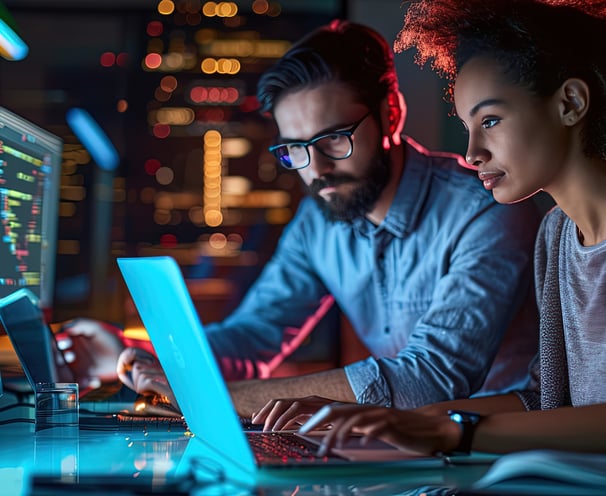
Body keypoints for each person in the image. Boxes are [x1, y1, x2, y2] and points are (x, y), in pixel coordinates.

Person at [62, 20, 540, 423]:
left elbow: (428, 379)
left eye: (334, 139)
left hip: (500, 459)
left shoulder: (484, 210)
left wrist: (205, 399)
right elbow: (258, 334)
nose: (315, 169)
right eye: (296, 149)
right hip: (406, 450)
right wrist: (141, 353)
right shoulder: (320, 219)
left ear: (390, 114)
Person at [292, 0, 606, 456]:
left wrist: (454, 431)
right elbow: (545, 402)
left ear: (570, 103)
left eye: (491, 120)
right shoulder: (557, 235)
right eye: (467, 127)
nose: (473, 151)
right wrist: (395, 420)